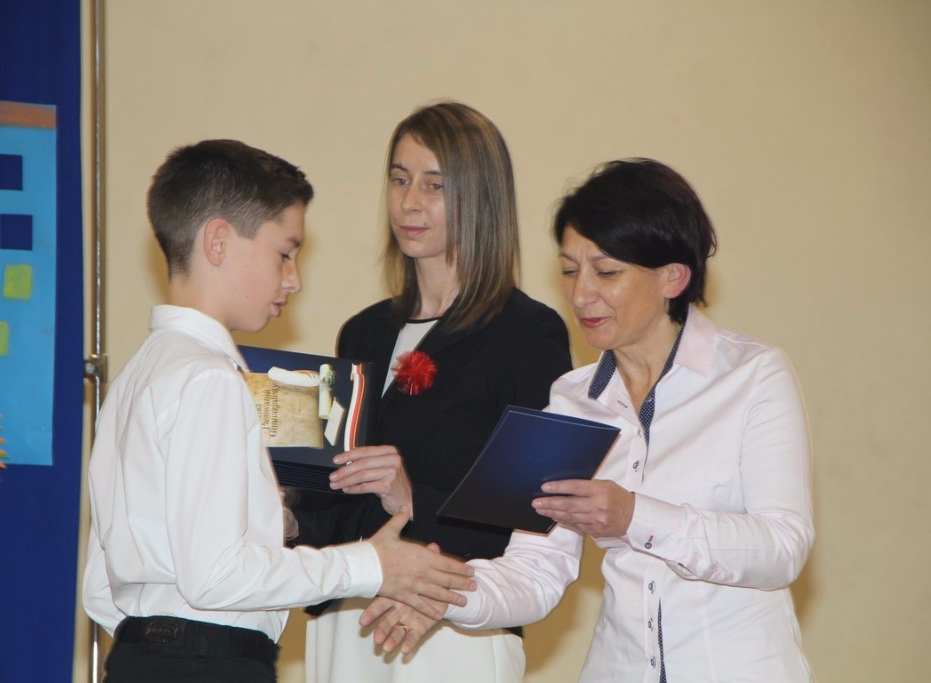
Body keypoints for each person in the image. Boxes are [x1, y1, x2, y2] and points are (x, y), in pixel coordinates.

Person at [364, 158, 815, 682]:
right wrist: (444, 596)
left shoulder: (753, 375)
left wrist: (634, 517)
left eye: (606, 272)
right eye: (569, 271)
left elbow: (782, 547)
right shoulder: (570, 398)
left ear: (673, 277)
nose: (581, 295)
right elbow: (536, 567)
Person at [81, 139, 477, 683]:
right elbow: (215, 575)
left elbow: (100, 586)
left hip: (137, 657)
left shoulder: (135, 376)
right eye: (285, 253)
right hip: (207, 664)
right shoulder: (211, 379)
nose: (294, 279)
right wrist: (370, 563)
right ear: (218, 241)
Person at [292, 102, 572, 682]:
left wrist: (412, 496)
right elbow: (338, 494)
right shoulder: (363, 331)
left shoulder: (526, 332)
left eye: (435, 185)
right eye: (399, 180)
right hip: (348, 609)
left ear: (480, 198)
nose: (409, 203)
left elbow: (534, 515)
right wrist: (288, 518)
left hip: (450, 620)